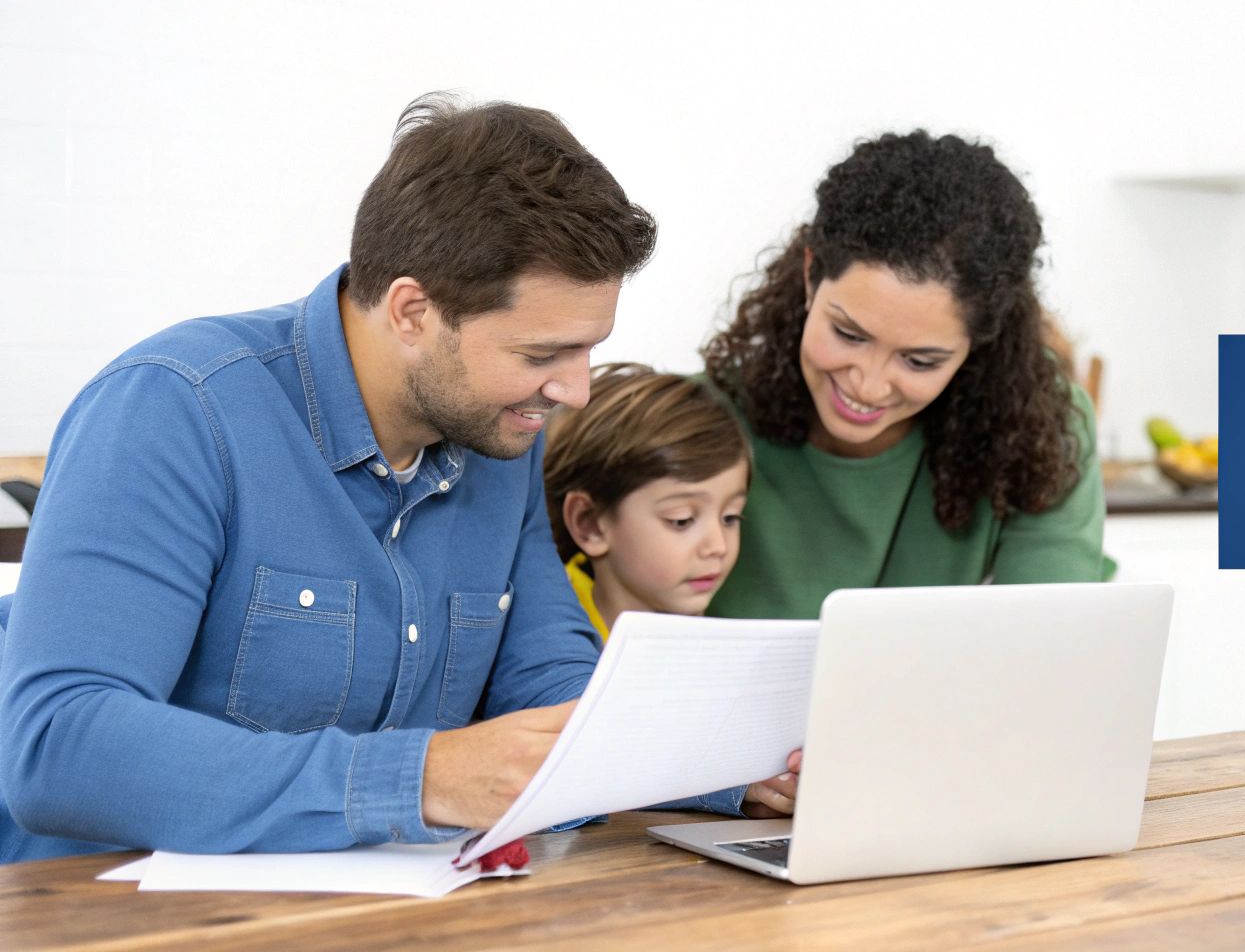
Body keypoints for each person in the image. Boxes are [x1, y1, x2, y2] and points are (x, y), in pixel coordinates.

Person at [0, 95, 787, 864]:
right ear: (413, 311)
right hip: (117, 913)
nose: (575, 391)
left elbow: (550, 686)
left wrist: (725, 769)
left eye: (587, 350)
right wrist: (424, 778)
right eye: (542, 354)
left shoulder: (502, 436)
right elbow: (59, 743)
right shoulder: (174, 409)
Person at [700, 129, 1111, 621]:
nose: (868, 386)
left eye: (920, 361)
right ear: (812, 275)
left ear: (978, 343)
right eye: (849, 334)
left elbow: (1050, 642)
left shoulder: (1040, 430)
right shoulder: (699, 421)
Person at [542, 364, 750, 638]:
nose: (718, 546)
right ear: (589, 523)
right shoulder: (545, 631)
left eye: (730, 517)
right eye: (682, 520)